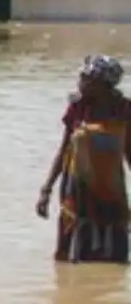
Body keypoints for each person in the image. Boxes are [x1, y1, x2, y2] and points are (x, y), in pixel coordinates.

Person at [36, 54, 131, 263]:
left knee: (114, 257)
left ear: (103, 84)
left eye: (86, 78)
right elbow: (63, 151)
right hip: (77, 190)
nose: (80, 81)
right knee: (73, 255)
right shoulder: (78, 108)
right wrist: (46, 190)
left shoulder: (124, 110)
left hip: (111, 191)